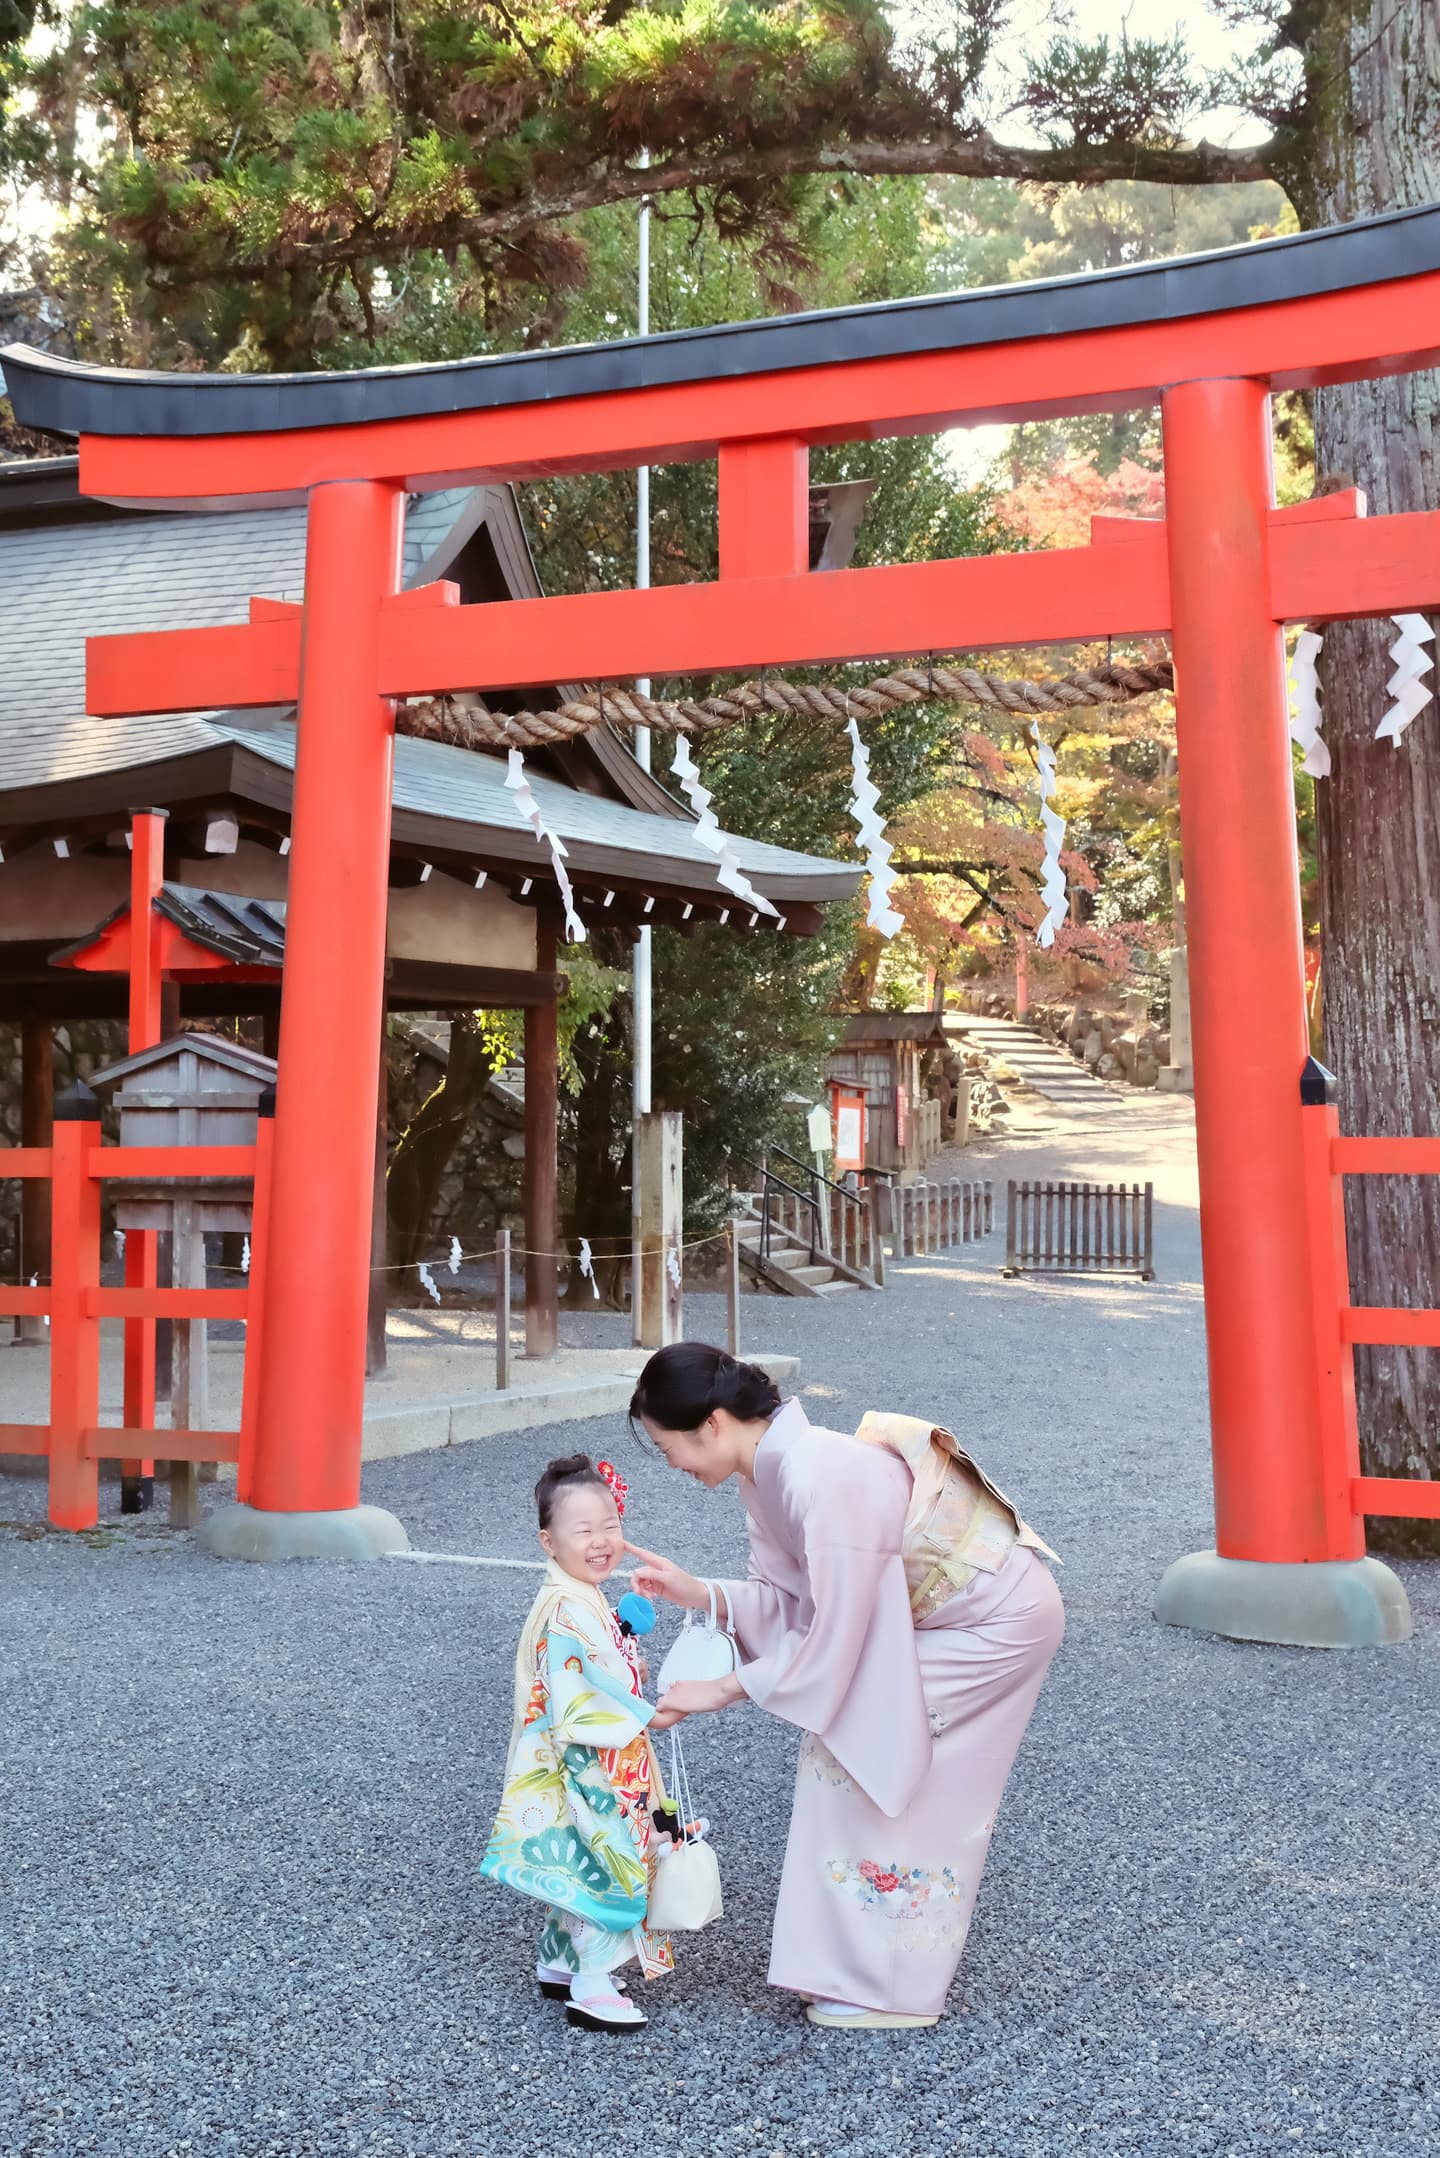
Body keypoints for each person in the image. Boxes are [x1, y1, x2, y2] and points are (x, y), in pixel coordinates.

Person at [626, 1343, 1063, 2031]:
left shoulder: (820, 1472)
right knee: (857, 1760)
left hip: (991, 1625)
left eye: (666, 1445)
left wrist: (723, 1689)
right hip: (943, 1619)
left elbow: (839, 1633)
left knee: (859, 1757)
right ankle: (858, 1969)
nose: (672, 1464)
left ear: (711, 1423)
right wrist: (700, 1592)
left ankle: (887, 1985)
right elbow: (791, 1601)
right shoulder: (774, 1473)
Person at [480, 1453, 674, 2033]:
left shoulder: (577, 1595)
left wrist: (622, 1657)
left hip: (594, 1753)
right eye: (584, 1530)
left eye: (611, 1525)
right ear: (548, 1541)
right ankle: (590, 1982)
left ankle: (558, 1962)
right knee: (607, 1863)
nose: (602, 1541)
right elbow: (578, 1689)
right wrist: (644, 1707)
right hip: (591, 1759)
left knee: (582, 1857)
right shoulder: (566, 1607)